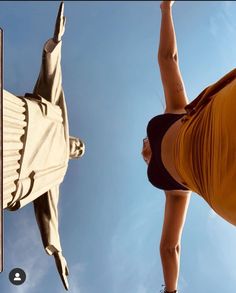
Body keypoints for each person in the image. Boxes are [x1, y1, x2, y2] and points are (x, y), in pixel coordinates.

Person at [142, 1, 236, 293]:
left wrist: (166, 8)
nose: (143, 150)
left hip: (221, 125)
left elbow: (168, 58)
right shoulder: (175, 192)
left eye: (144, 141)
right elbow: (170, 248)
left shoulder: (176, 112)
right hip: (222, 180)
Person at [3, 2, 85, 290]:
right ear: (73, 137)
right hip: (17, 124)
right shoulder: (57, 115)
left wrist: (57, 251)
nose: (77, 148)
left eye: (79, 151)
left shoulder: (57, 174)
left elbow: (50, 213)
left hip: (14, 175)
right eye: (78, 144)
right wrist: (56, 41)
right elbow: (53, 77)